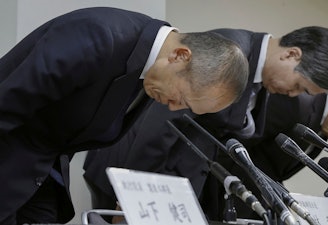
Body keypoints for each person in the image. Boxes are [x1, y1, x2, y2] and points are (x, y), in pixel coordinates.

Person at [0, 7, 250, 225]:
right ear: (180, 56)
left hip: (37, 181)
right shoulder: (99, 35)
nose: (174, 108)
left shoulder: (147, 70)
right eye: (182, 99)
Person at [83, 25, 328, 219]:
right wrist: (134, 193)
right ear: (291, 55)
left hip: (171, 184)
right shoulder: (229, 51)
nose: (294, 95)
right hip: (132, 171)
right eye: (299, 86)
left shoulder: (262, 81)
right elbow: (160, 122)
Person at [200, 93, 328, 221]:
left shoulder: (322, 134)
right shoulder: (297, 103)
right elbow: (237, 144)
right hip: (219, 194)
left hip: (256, 207)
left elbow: (272, 170)